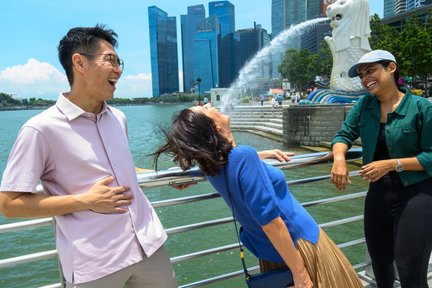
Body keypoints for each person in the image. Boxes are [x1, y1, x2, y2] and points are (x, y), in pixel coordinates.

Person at [0, 24, 177, 288]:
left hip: (148, 245)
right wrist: (85, 201)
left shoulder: (118, 118)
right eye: (111, 60)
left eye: (120, 62)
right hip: (97, 263)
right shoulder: (41, 128)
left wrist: (166, 176)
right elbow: (9, 203)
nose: (118, 69)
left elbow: (121, 170)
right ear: (79, 62)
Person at [152, 103, 363, 288]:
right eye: (206, 109)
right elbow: (270, 221)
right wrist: (301, 276)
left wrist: (261, 154)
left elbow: (230, 160)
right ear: (215, 128)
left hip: (271, 252)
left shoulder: (212, 166)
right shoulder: (243, 157)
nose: (210, 104)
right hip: (301, 243)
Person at [331, 49, 432, 288]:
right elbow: (344, 134)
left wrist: (391, 164)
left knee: (410, 272)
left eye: (371, 71)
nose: (365, 79)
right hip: (378, 193)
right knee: (380, 264)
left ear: (391, 68)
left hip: (417, 192)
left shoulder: (420, 107)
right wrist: (339, 159)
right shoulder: (365, 104)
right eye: (362, 75)